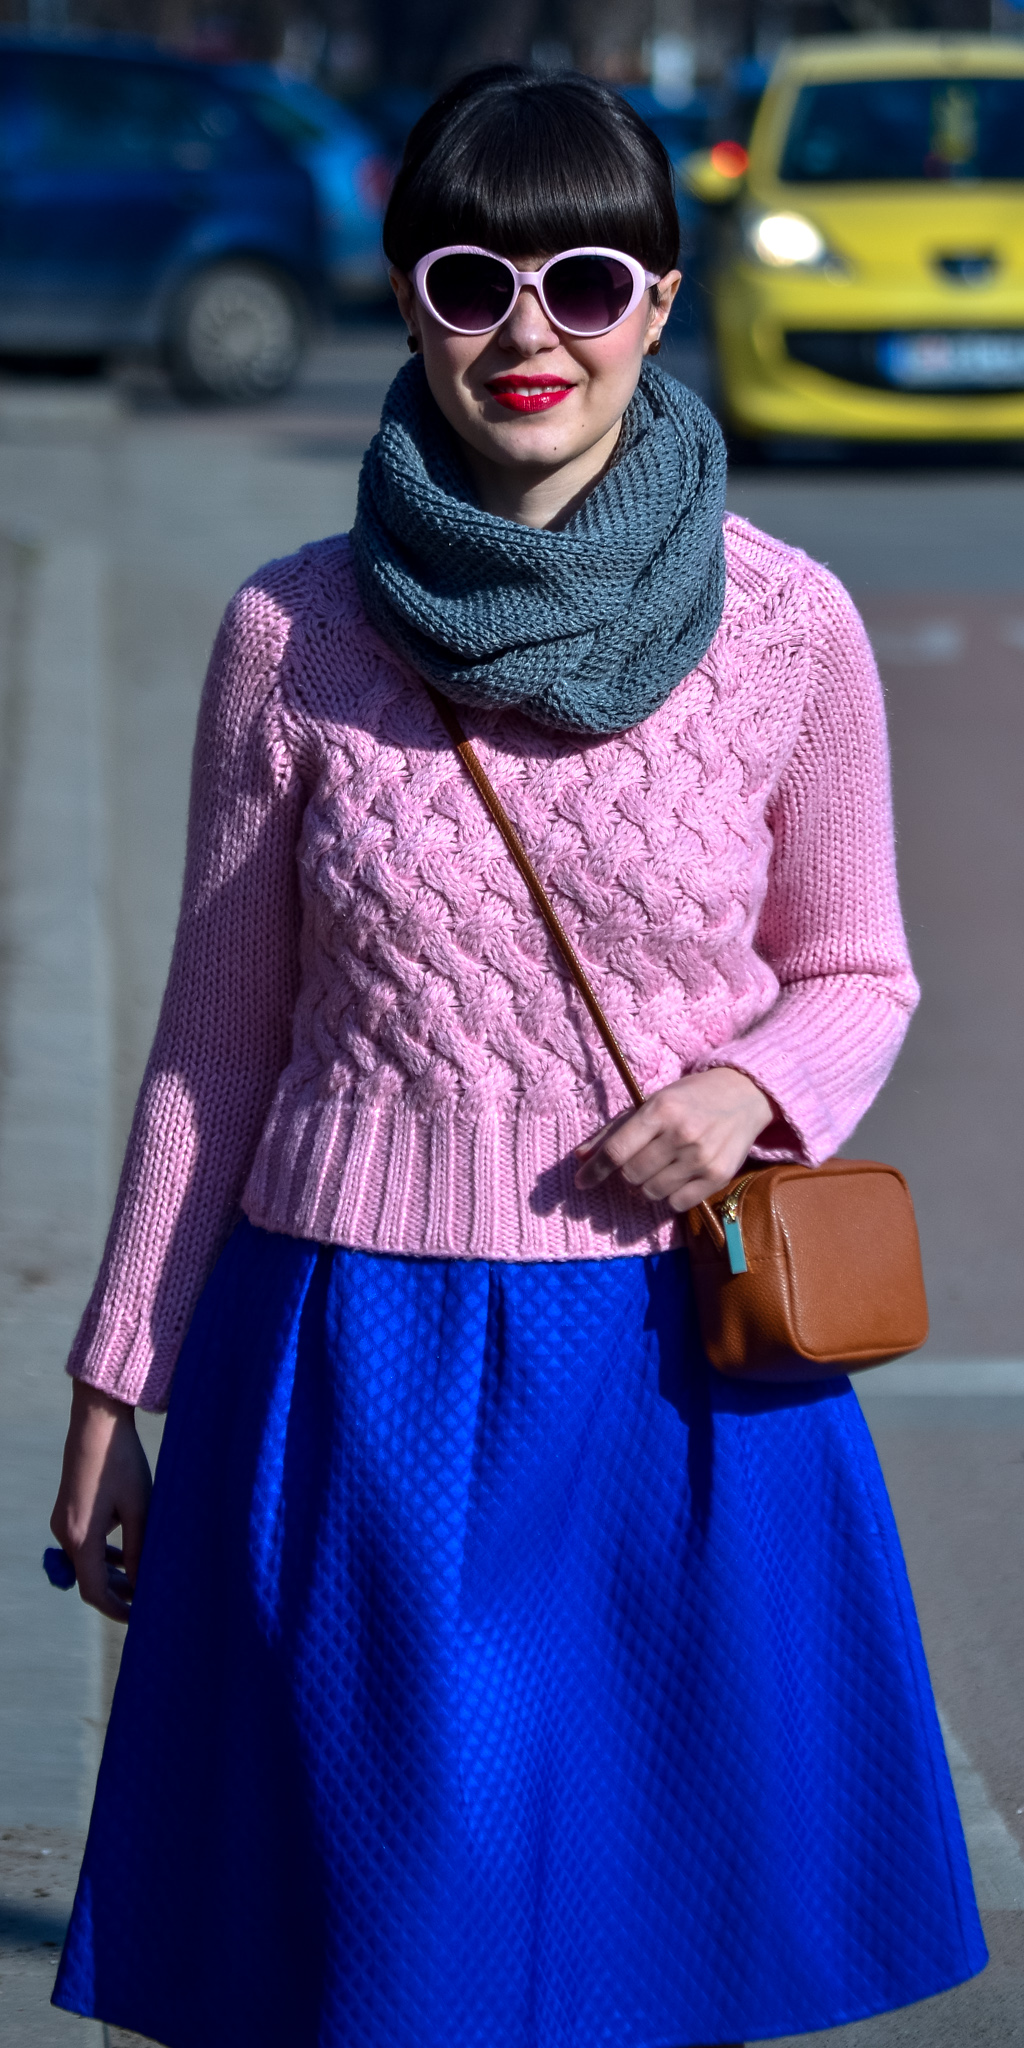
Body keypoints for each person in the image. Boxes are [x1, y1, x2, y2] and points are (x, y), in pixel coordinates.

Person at [50, 66, 985, 2048]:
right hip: (354, 1360)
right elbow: (213, 1044)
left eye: (582, 277)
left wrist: (747, 1091)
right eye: (469, 280)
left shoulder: (786, 629)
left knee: (665, 1949)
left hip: (679, 1364)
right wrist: (117, 1372)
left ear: (658, 297)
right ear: (405, 300)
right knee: (403, 1942)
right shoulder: (285, 633)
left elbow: (856, 969)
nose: (525, 331)